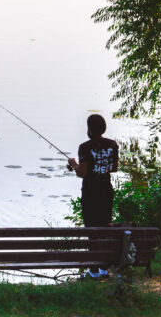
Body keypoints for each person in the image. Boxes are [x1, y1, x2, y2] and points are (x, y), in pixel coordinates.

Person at [67, 114, 119, 278]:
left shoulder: (85, 147)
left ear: (89, 129)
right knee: (104, 229)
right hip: (106, 191)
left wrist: (73, 165)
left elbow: (83, 173)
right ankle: (103, 268)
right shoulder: (112, 145)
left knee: (91, 231)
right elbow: (114, 168)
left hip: (91, 194)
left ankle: (94, 271)